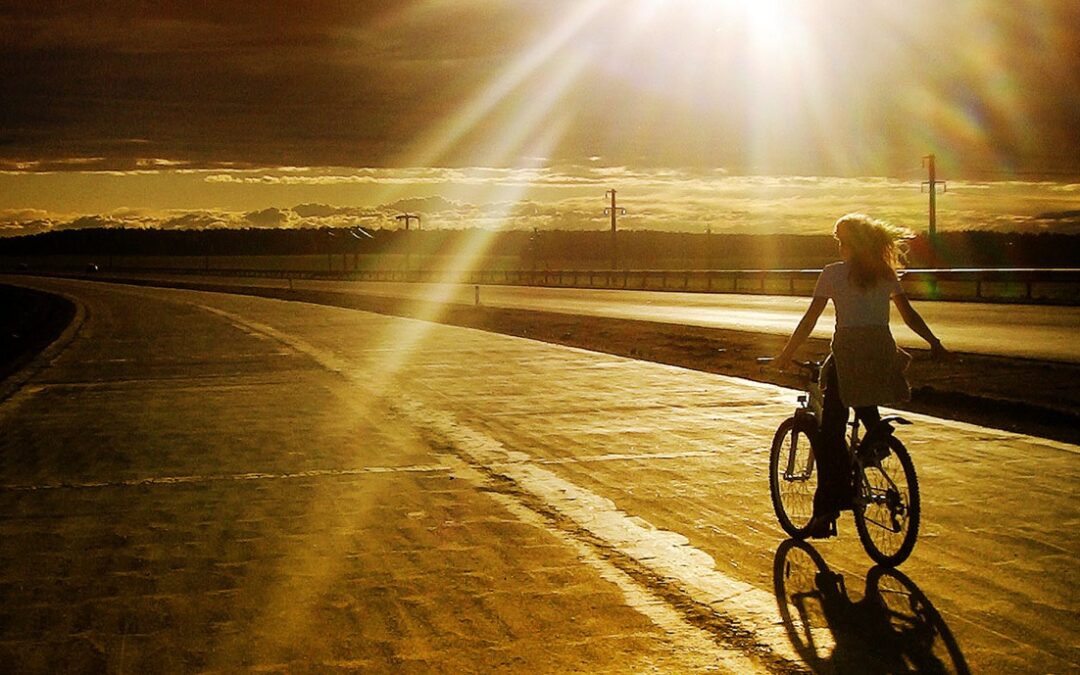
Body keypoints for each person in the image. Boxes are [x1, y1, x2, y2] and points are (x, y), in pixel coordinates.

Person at [774, 213, 949, 538]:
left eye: (841, 240)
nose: (838, 245)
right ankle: (876, 440)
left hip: (849, 353)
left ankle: (826, 511)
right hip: (880, 351)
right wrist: (933, 342)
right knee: (862, 396)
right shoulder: (883, 274)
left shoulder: (832, 274)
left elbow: (810, 319)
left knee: (829, 436)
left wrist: (786, 353)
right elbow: (908, 315)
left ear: (850, 244)